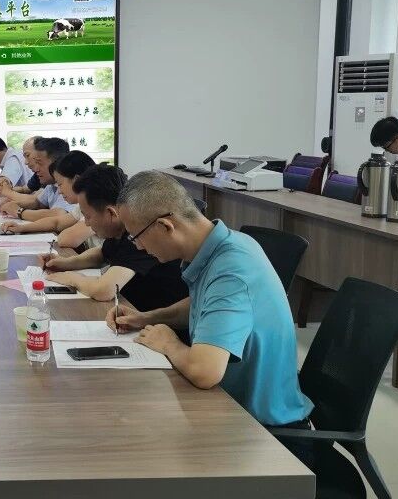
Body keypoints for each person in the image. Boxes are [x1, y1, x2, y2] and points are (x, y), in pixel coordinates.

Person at [107, 171, 313, 431]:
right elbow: (204, 306)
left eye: (135, 236)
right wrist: (146, 318)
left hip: (264, 432)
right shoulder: (225, 245)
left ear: (165, 226)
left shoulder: (231, 271)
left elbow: (204, 372)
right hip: (230, 409)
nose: (137, 247)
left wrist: (169, 343)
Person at [43, 164, 188, 311]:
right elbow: (102, 253)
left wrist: (72, 278)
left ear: (111, 213)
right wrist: (65, 263)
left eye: (87, 216)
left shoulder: (139, 235)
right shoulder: (118, 229)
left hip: (155, 317)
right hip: (132, 309)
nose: (86, 223)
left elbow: (104, 290)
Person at [0, 146, 95, 248]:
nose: (59, 191)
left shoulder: (96, 206)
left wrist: (20, 212)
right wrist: (21, 228)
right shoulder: (82, 206)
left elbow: (65, 240)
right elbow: (56, 222)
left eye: (60, 184)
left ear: (76, 180)